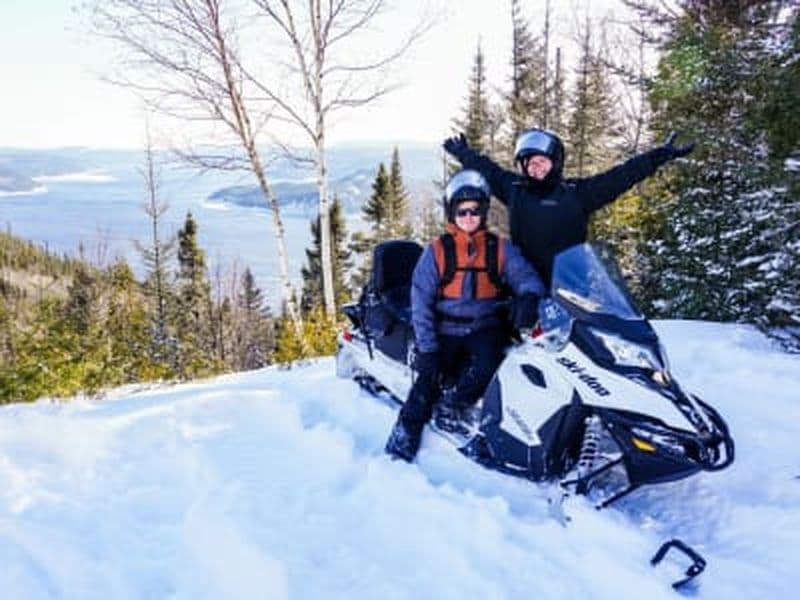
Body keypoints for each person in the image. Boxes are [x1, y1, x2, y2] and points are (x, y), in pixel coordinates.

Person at [385, 169, 546, 462]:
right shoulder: (437, 251)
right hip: (445, 327)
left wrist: (529, 297)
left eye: (474, 210)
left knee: (493, 367)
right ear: (452, 213)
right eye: (462, 211)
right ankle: (403, 438)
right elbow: (419, 301)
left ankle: (454, 404)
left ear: (483, 212)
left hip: (485, 326)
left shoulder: (499, 249)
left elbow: (526, 276)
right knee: (426, 381)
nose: (469, 216)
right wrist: (428, 348)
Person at [443, 128, 695, 286]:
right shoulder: (515, 190)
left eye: (541, 161)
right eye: (529, 163)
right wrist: (464, 154)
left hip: (570, 287)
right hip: (525, 284)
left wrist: (658, 156)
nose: (535, 168)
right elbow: (489, 171)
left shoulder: (578, 194)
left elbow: (621, 177)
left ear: (555, 162)